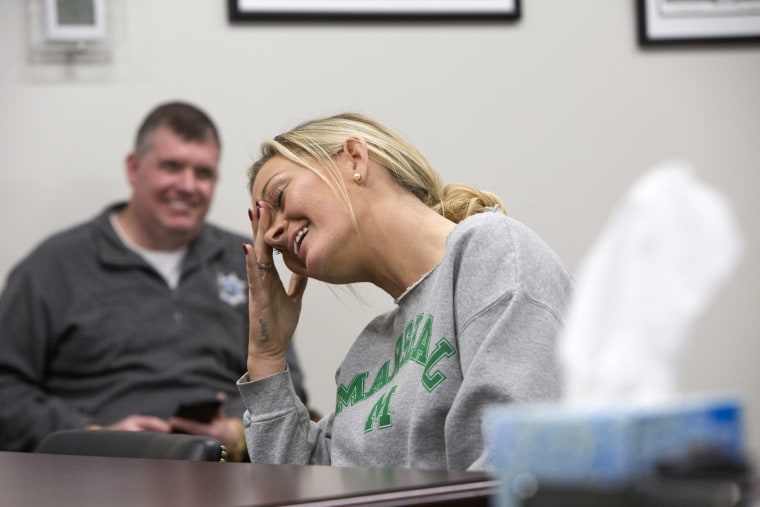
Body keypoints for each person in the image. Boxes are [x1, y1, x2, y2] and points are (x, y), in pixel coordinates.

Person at [237, 112, 574, 471]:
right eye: (267, 233)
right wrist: (267, 355)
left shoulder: (492, 251)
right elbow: (303, 490)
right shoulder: (368, 353)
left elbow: (518, 469)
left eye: (280, 196)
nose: (271, 236)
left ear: (355, 158)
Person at [0, 101, 308, 459]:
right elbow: (5, 390)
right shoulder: (53, 268)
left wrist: (236, 432)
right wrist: (92, 436)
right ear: (134, 168)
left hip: (218, 471)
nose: (187, 185)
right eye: (171, 167)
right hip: (93, 472)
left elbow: (286, 384)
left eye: (203, 173)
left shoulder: (244, 260)